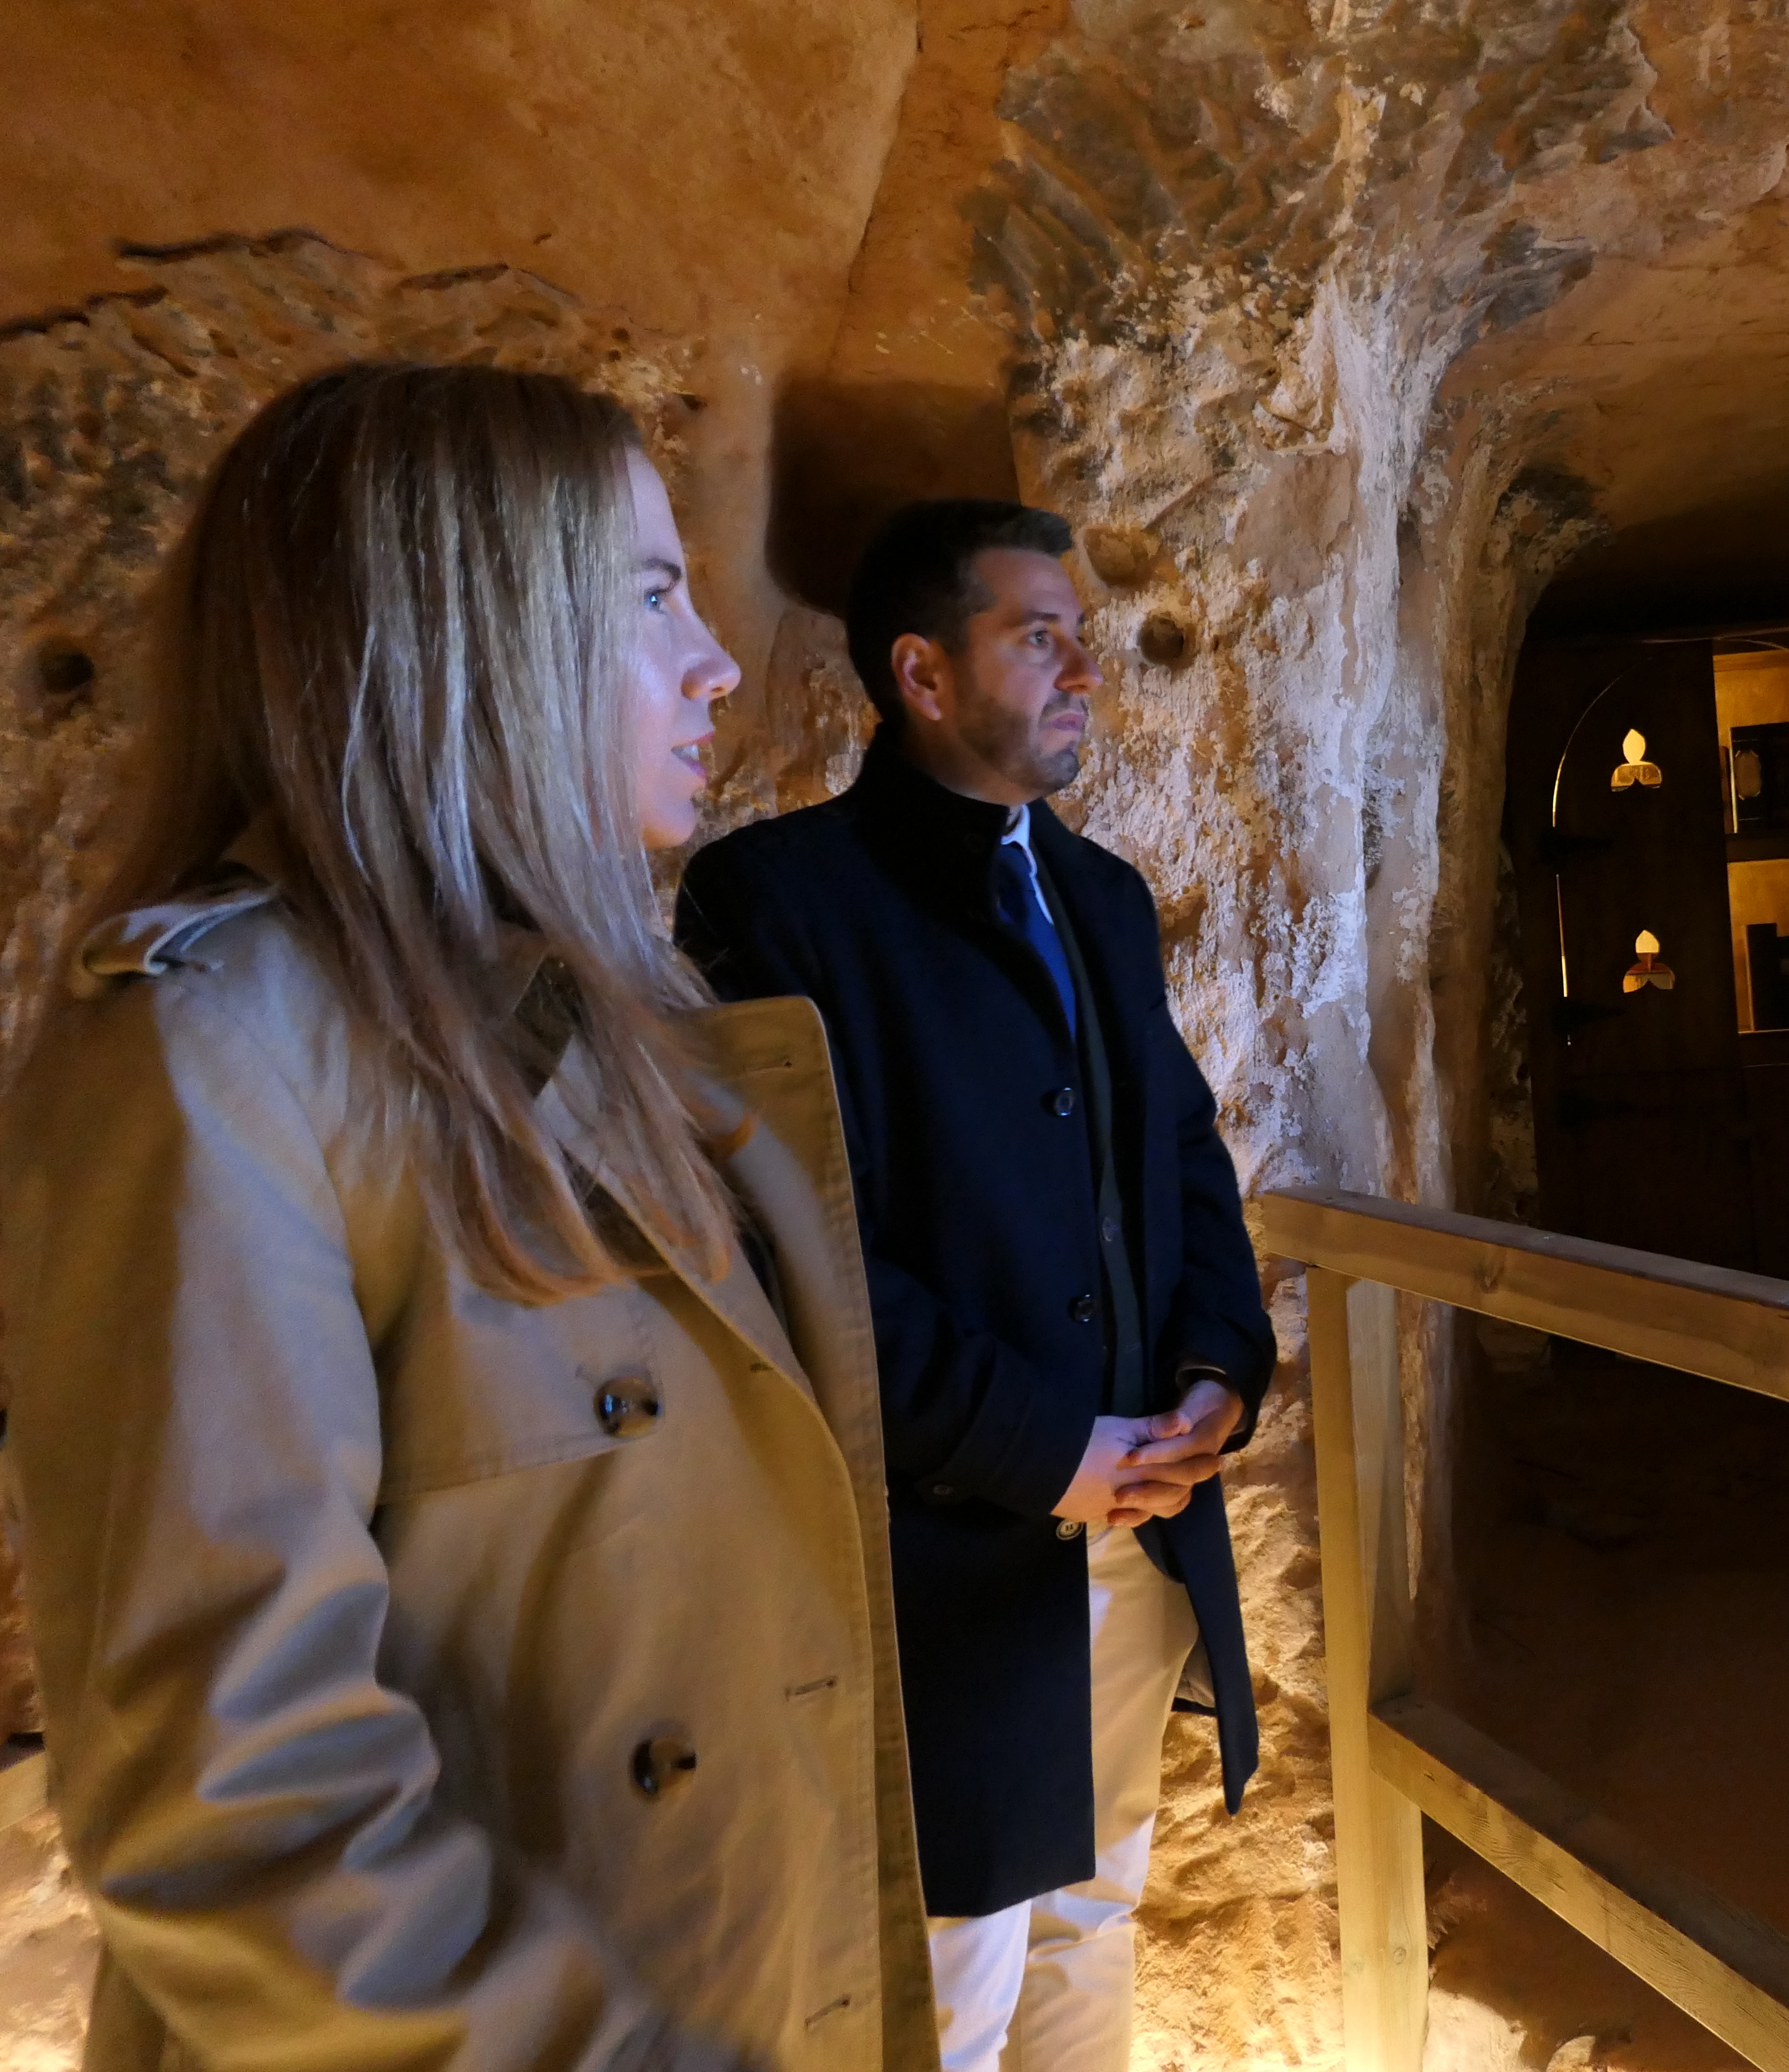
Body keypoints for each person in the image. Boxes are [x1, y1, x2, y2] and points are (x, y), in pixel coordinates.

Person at [1, 362, 935, 2072]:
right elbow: (238, 1801)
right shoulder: (217, 1059)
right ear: (466, 628)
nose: (719, 665)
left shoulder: (624, 1045)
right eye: (653, 599)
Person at [675, 500, 1275, 2072]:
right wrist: (1048, 1451)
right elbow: (794, 1261)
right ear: (924, 676)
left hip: (1142, 1523)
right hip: (950, 1559)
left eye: (1083, 631)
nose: (1086, 664)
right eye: (1040, 635)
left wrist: (1218, 1371)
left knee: (1094, 1927)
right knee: (944, 1986)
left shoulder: (1106, 900)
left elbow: (1182, 1158)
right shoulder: (776, 908)